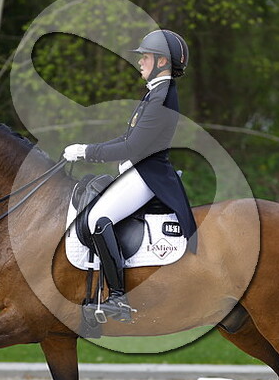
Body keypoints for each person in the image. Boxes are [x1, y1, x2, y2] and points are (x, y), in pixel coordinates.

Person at [62, 29, 198, 323]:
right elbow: (127, 139)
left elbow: (133, 147)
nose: (140, 62)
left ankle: (118, 298)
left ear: (162, 61)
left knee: (98, 219)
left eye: (145, 57)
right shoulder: (155, 93)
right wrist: (87, 149)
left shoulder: (162, 96)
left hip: (147, 174)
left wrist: (87, 152)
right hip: (138, 170)